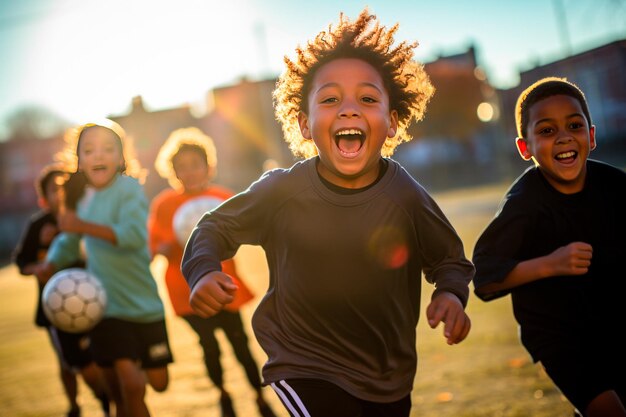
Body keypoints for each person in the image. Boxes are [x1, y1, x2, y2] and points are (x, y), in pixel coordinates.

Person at [181, 8, 474, 417]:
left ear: (391, 123)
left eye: (367, 99)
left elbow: (449, 258)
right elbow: (214, 226)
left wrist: (450, 293)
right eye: (331, 99)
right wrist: (204, 269)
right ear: (304, 124)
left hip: (387, 375)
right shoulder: (281, 190)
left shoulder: (404, 194)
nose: (349, 109)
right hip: (302, 363)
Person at [472, 77, 626, 417]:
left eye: (574, 125)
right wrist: (549, 264)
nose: (564, 137)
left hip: (615, 326)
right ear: (524, 148)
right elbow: (484, 278)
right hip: (560, 337)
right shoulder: (524, 205)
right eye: (546, 131)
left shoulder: (614, 186)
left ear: (592, 135)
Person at [34, 119, 174, 417]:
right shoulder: (79, 198)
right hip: (105, 307)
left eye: (108, 149)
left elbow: (134, 235)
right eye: (89, 150)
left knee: (158, 382)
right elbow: (70, 241)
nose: (98, 156)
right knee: (131, 385)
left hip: (145, 304)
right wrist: (51, 262)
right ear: (79, 161)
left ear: (122, 158)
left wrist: (82, 225)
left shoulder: (129, 190)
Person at [148, 127, 277, 417]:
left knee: (240, 343)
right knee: (208, 346)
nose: (190, 172)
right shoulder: (165, 205)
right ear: (173, 172)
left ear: (209, 166)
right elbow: (154, 246)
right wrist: (166, 246)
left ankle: (258, 396)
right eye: (182, 167)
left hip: (224, 286)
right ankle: (222, 393)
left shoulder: (223, 197)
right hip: (186, 292)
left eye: (196, 165)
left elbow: (249, 228)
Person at [13, 163, 110, 417]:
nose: (59, 193)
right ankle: (74, 405)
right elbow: (22, 264)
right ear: (44, 197)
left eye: (62, 187)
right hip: (54, 306)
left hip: (92, 300)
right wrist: (40, 267)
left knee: (99, 355)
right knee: (68, 362)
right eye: (52, 189)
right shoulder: (38, 225)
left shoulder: (85, 217)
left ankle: (106, 399)